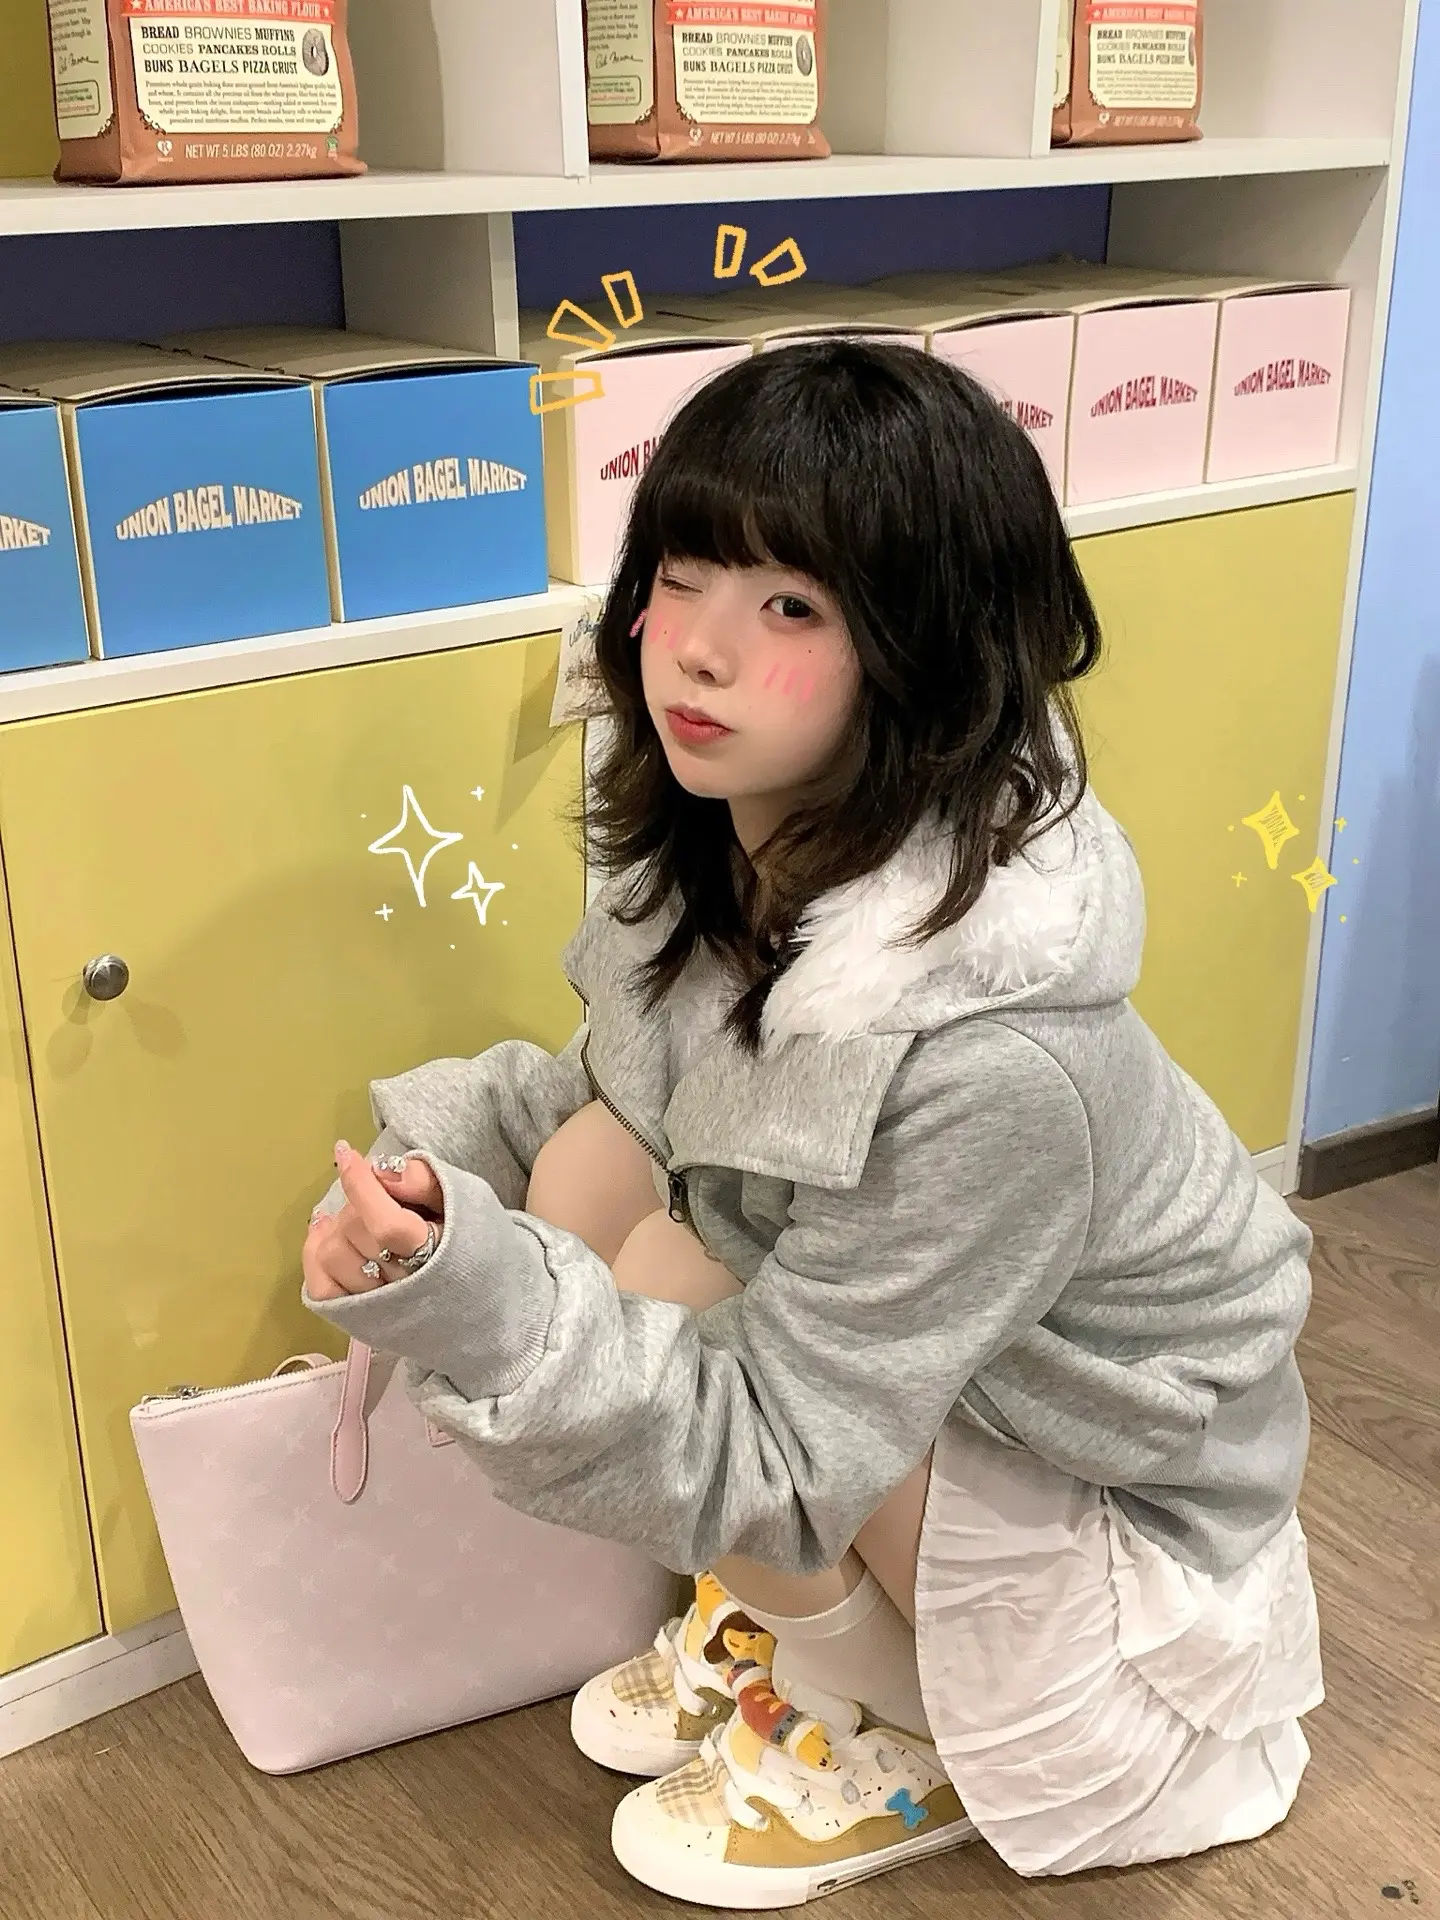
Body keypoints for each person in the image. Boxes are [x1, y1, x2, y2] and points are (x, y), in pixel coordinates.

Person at [301, 341, 1324, 1909]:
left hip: (1120, 1511)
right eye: (683, 577)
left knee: (664, 1272)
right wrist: (430, 1199)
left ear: (922, 654)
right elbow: (620, 1096)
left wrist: (491, 1313)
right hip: (921, 1390)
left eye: (792, 608)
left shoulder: (992, 1055)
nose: (699, 654)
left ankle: (896, 1723)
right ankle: (823, 1635)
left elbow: (777, 1452)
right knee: (602, 1173)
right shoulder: (732, 851)